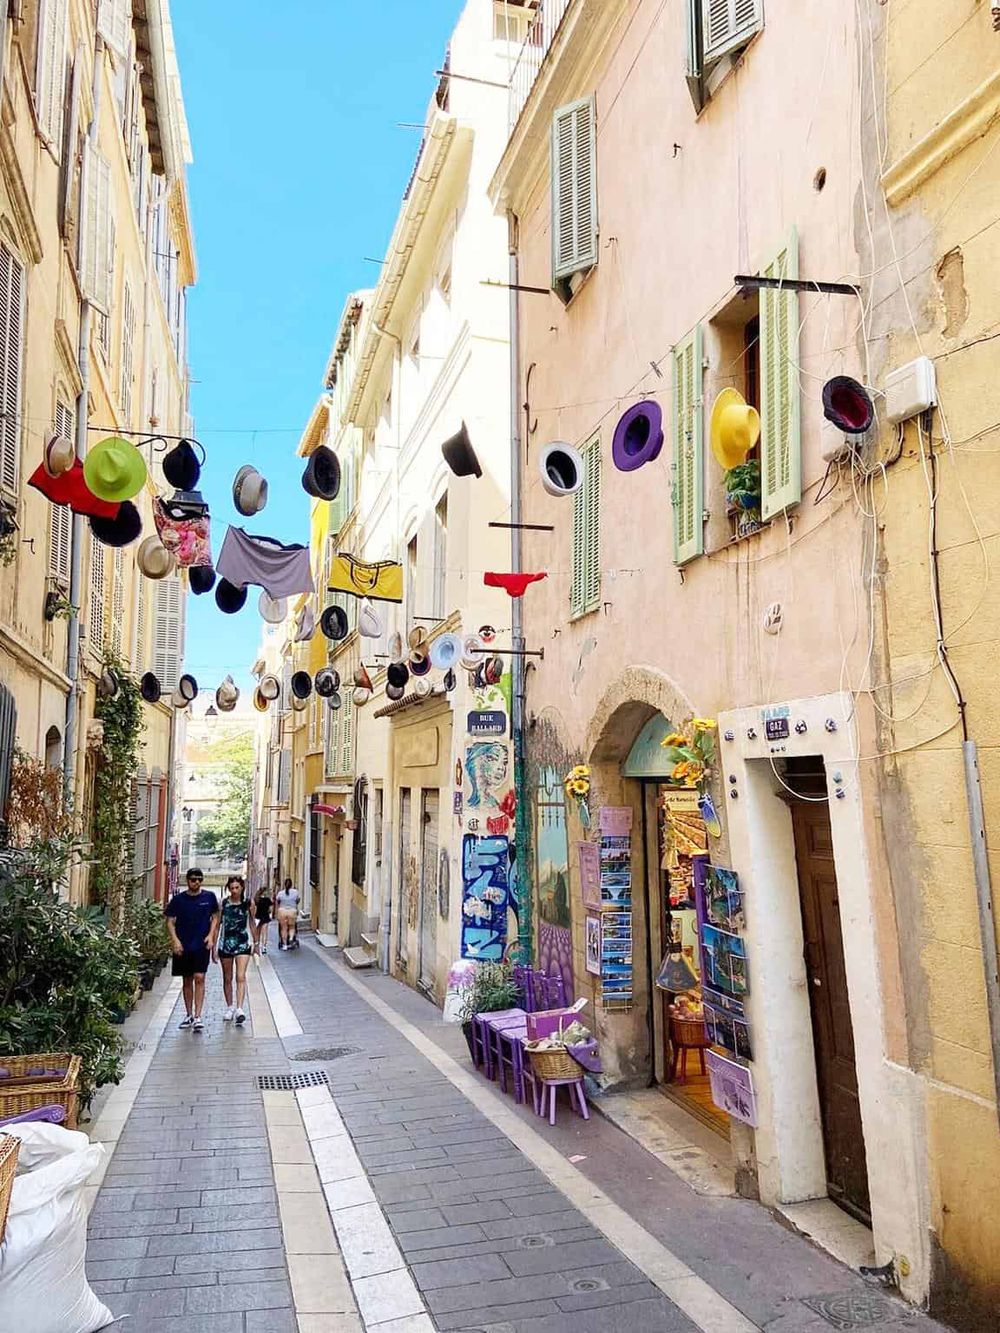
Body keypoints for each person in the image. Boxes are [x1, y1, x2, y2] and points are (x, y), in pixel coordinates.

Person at [165, 868, 220, 1032]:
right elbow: (169, 921)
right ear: (187, 881)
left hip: (201, 943)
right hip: (184, 944)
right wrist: (175, 940)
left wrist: (211, 936)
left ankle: (198, 1016)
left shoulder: (209, 897)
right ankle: (189, 1014)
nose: (196, 882)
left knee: (199, 977)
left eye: (199, 879)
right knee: (187, 979)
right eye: (193, 879)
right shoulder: (178, 900)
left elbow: (215, 917)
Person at [215, 875, 257, 1025]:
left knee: (240, 976)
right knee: (227, 977)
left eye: (237, 888)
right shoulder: (223, 904)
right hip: (226, 944)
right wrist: (214, 946)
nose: (234, 891)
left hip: (242, 943)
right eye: (232, 888)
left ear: (242, 888)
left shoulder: (248, 903)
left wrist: (256, 943)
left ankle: (239, 1008)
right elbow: (217, 925)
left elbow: (252, 922)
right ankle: (229, 1007)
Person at [275, 877, 300, 950]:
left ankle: (285, 945)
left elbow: (277, 901)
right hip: (292, 911)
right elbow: (298, 900)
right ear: (291, 884)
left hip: (282, 911)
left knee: (283, 928)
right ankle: (291, 938)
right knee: (292, 927)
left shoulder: (280, 893)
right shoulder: (295, 892)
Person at [254, 884, 273, 954]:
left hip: (258, 917)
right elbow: (270, 910)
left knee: (257, 933)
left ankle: (257, 946)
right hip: (265, 917)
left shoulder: (256, 899)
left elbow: (254, 909)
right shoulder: (268, 900)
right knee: (264, 933)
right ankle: (264, 948)